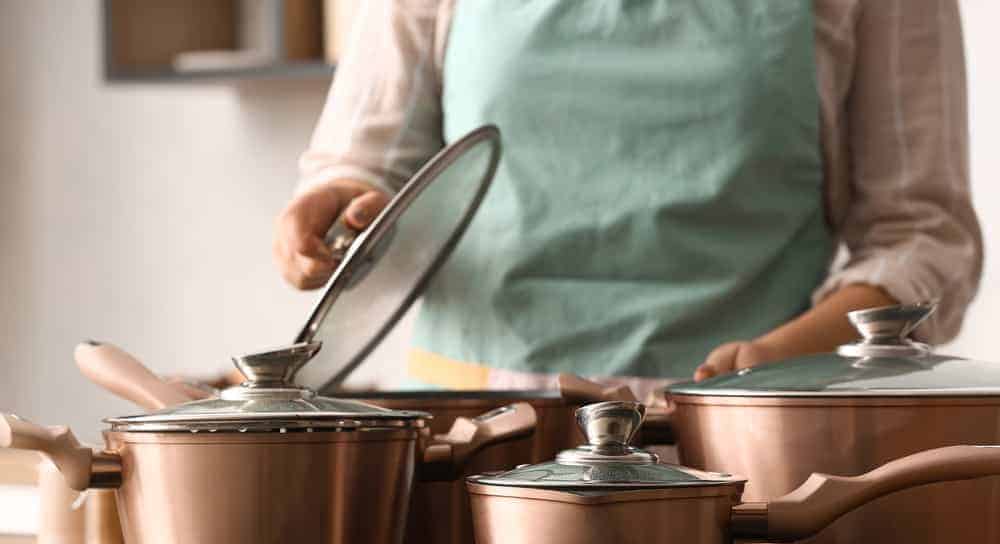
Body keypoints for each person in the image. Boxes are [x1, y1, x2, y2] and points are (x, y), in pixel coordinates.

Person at [273, 0, 981, 398]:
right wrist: (337, 210)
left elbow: (923, 237)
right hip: (470, 444)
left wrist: (786, 356)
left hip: (741, 452)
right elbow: (367, 162)